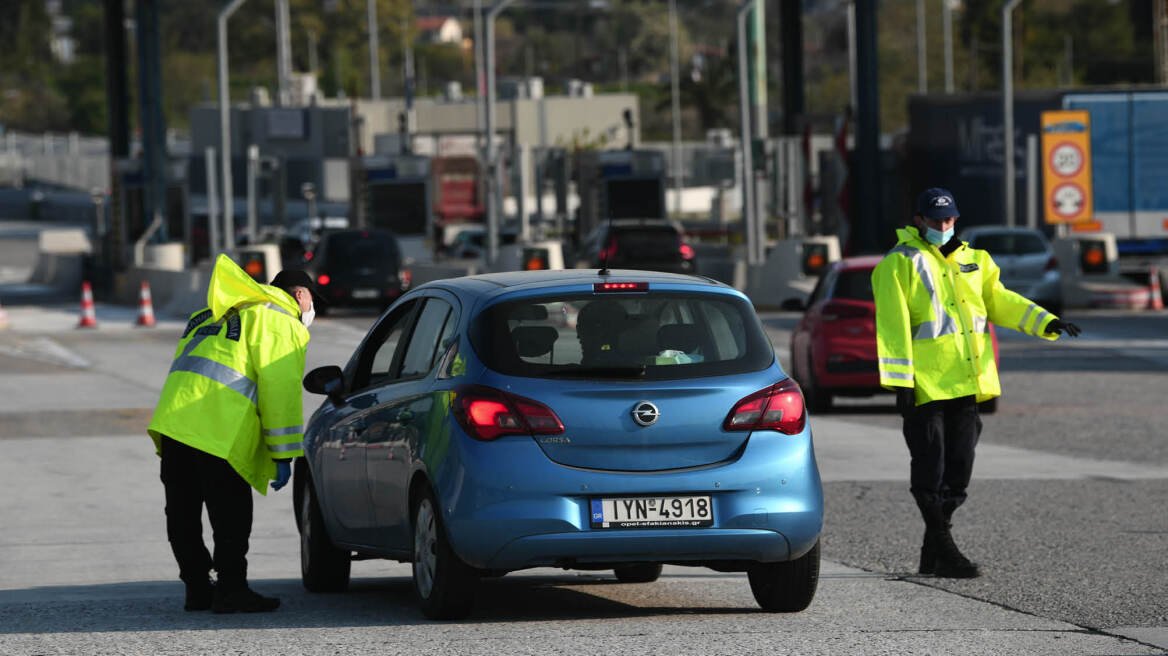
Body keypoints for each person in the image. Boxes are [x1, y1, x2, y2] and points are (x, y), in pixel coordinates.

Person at [871, 188, 1080, 579]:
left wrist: (1046, 321)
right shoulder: (898, 264)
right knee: (930, 468)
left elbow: (1000, 301)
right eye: (936, 220)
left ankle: (933, 551)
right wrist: (901, 383)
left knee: (960, 470)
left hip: (967, 382)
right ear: (918, 220)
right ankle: (945, 549)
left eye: (949, 219)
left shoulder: (976, 260)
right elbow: (892, 328)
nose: (943, 225)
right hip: (926, 386)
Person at [148, 254, 323, 612]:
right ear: (301, 296)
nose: (311, 312)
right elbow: (280, 392)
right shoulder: (280, 321)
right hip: (219, 430)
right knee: (231, 514)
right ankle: (231, 589)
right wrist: (283, 454)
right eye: (312, 303)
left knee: (182, 513)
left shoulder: (208, 314)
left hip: (174, 424)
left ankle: (197, 588)